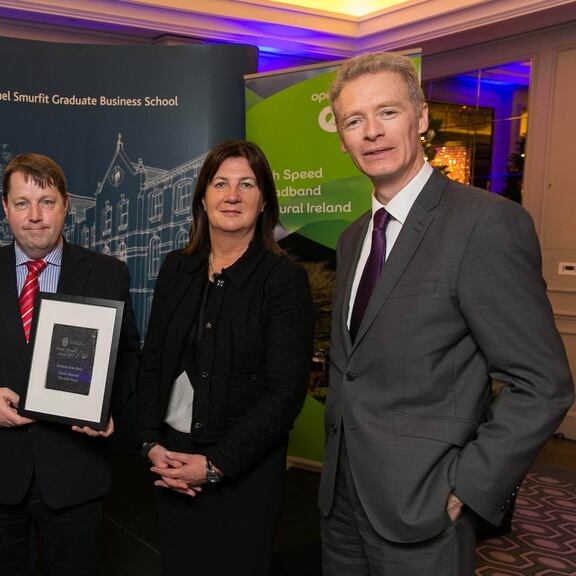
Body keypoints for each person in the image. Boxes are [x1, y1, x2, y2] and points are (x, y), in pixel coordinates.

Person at [318, 52, 575, 575]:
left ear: (421, 118)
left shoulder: (485, 225)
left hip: (425, 504)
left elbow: (542, 383)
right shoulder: (351, 240)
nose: (372, 132)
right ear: (342, 139)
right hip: (340, 499)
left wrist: (470, 485)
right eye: (354, 121)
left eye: (387, 112)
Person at [0, 153, 140, 576]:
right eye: (22, 203)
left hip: (74, 472)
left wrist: (107, 406)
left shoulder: (108, 273)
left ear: (66, 205)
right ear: (5, 208)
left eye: (46, 202)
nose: (35, 216)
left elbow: (129, 356)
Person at [136, 140, 314, 575]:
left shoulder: (284, 280)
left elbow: (285, 394)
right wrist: (149, 443)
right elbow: (153, 359)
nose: (231, 195)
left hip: (244, 473)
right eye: (220, 183)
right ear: (203, 197)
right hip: (173, 462)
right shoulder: (177, 268)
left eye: (246, 184)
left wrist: (216, 465)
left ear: (264, 200)